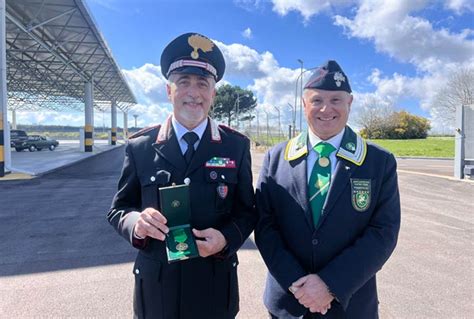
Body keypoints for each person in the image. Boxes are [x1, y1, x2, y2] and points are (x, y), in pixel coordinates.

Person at [107, 32, 256, 319]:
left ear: (213, 93)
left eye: (203, 84)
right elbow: (118, 210)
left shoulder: (236, 146)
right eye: (183, 82)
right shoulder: (140, 146)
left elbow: (247, 211)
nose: (193, 92)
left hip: (214, 286)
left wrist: (225, 239)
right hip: (157, 288)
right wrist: (137, 223)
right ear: (168, 91)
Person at [255, 60, 401, 318]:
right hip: (288, 303)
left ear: (350, 103)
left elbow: (383, 232)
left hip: (350, 304)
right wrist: (298, 283)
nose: (326, 109)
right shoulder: (276, 158)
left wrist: (331, 284)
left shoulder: (379, 162)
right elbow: (266, 227)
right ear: (303, 104)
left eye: (336, 100)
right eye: (317, 100)